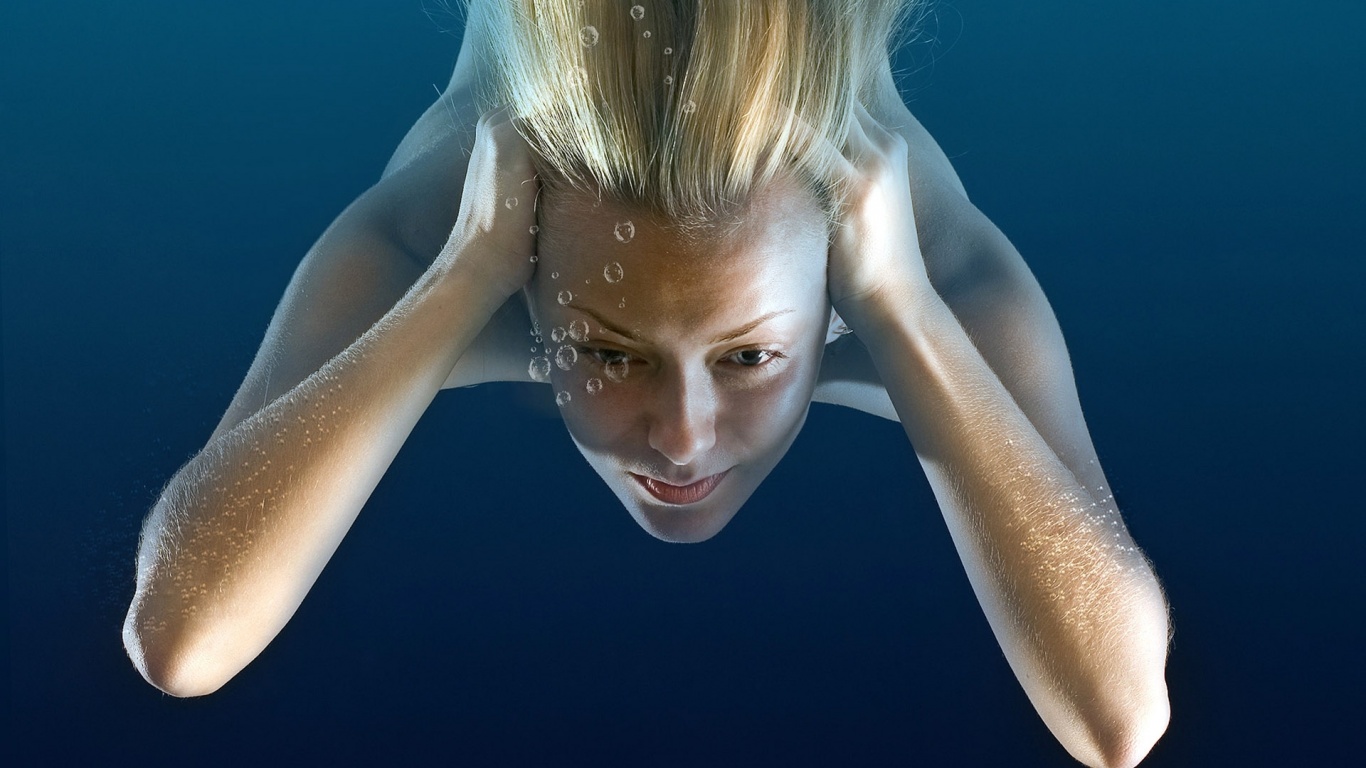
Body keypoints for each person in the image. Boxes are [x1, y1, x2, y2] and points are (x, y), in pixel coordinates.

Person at [123, 1, 1170, 765]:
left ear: (839, 287)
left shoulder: (927, 270)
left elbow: (1117, 718)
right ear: (527, 288)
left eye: (750, 356)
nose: (682, 440)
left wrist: (902, 309)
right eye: (608, 353)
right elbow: (180, 640)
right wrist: (463, 273)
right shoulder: (431, 234)